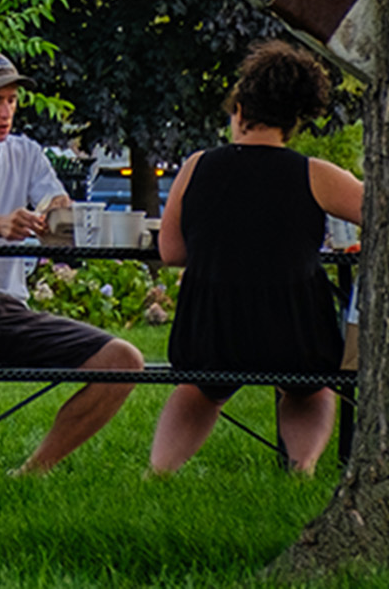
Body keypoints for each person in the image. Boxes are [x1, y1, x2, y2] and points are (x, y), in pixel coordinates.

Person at [0, 48, 145, 473]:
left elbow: (52, 199)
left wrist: (57, 213)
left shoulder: (26, 153)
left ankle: (32, 473)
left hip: (9, 309)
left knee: (125, 360)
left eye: (12, 101)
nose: (6, 111)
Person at [149, 41, 363, 475]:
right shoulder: (315, 173)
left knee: (199, 389)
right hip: (294, 324)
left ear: (241, 109)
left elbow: (171, 251)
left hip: (211, 324)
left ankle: (160, 472)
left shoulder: (197, 166)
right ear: (295, 120)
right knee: (312, 388)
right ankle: (300, 468)